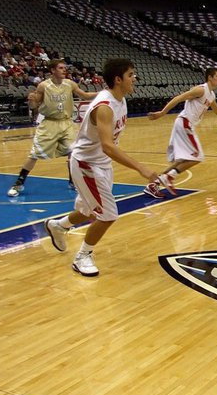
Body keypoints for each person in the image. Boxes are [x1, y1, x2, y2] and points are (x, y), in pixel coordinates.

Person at [44, 58, 158, 277]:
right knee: (107, 214)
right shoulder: (105, 107)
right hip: (87, 164)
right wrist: (140, 168)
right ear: (118, 79)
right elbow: (107, 146)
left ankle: (59, 226)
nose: (135, 79)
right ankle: (83, 256)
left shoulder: (121, 99)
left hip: (100, 164)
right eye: (131, 75)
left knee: (88, 210)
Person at [143, 67, 217, 198]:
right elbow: (179, 98)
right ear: (209, 77)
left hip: (186, 124)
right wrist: (162, 113)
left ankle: (154, 184)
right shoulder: (200, 90)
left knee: (184, 159)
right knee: (197, 156)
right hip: (184, 122)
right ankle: (168, 177)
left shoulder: (211, 94)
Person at [7, 59, 96, 197]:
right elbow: (33, 106)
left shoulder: (70, 84)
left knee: (74, 152)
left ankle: (73, 181)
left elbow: (85, 95)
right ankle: (19, 183)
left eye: (64, 68)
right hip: (49, 123)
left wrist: (105, 93)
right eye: (61, 68)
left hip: (66, 123)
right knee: (35, 154)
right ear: (53, 70)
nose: (64, 70)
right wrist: (31, 101)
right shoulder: (43, 86)